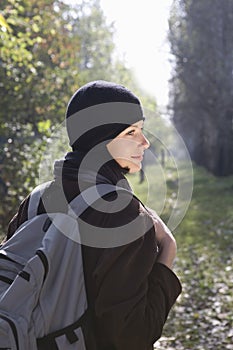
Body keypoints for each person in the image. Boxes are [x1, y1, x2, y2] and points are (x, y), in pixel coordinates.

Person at [7, 80, 181, 350]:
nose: (145, 143)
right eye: (132, 132)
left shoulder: (35, 200)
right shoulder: (123, 214)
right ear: (102, 139)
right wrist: (167, 249)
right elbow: (132, 337)